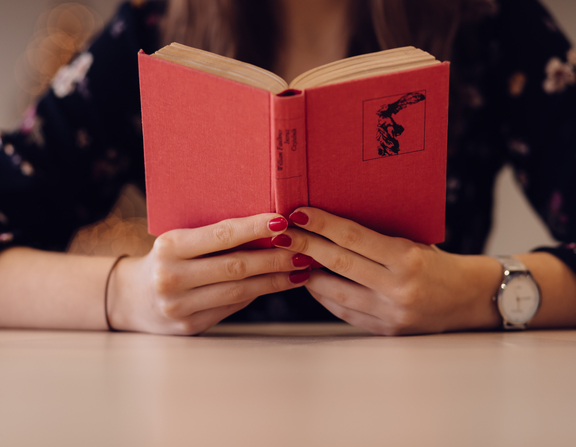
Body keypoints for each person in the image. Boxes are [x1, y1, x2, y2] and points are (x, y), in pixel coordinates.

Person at [1, 0, 576, 335]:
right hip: (207, 411)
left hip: (422, 403)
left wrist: (475, 292)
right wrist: (126, 295)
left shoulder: (493, 22)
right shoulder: (153, 30)